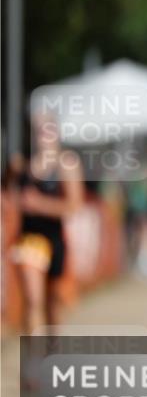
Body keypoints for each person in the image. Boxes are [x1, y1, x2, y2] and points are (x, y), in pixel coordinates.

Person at [8, 113, 84, 336]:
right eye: (38, 129)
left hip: (55, 239)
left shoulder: (66, 163)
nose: (43, 134)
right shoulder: (21, 164)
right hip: (29, 240)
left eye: (47, 128)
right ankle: (33, 363)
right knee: (33, 300)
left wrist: (39, 204)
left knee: (53, 303)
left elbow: (74, 206)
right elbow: (12, 201)